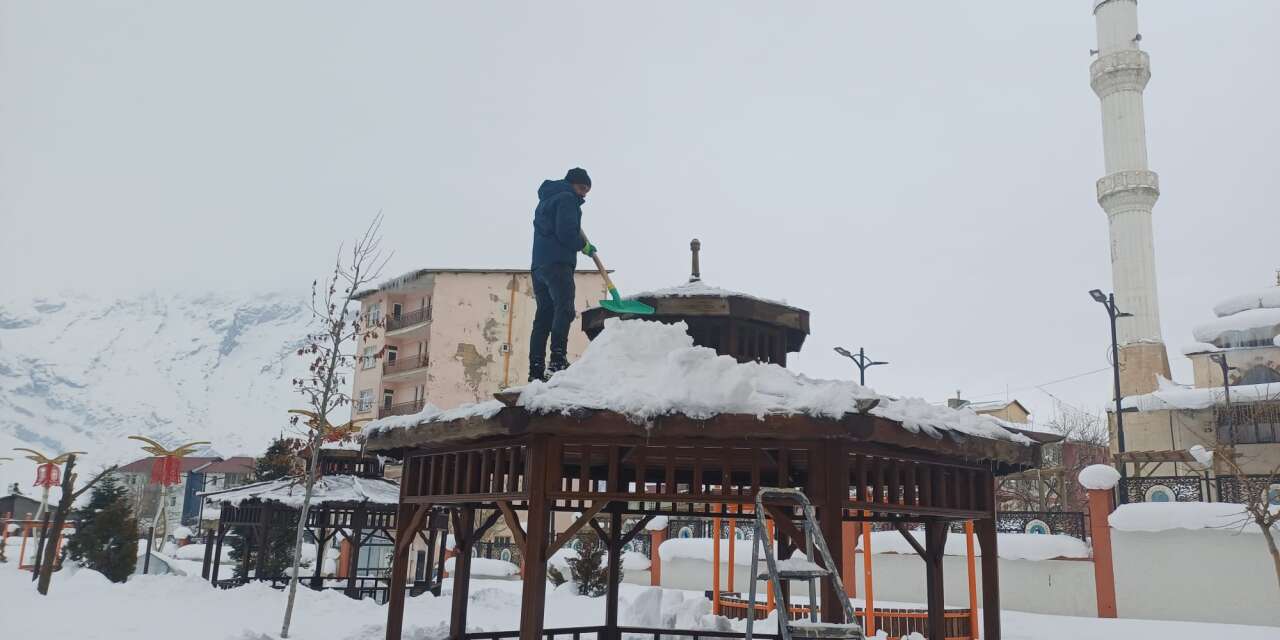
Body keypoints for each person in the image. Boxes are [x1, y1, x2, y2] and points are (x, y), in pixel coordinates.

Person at [528, 167, 596, 382]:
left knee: (544, 316)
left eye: (587, 191)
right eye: (582, 188)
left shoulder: (546, 200)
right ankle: (557, 361)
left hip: (539, 266)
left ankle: (535, 371)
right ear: (572, 184)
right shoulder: (567, 198)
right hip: (558, 263)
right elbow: (566, 233)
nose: (584, 194)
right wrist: (583, 246)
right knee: (564, 310)